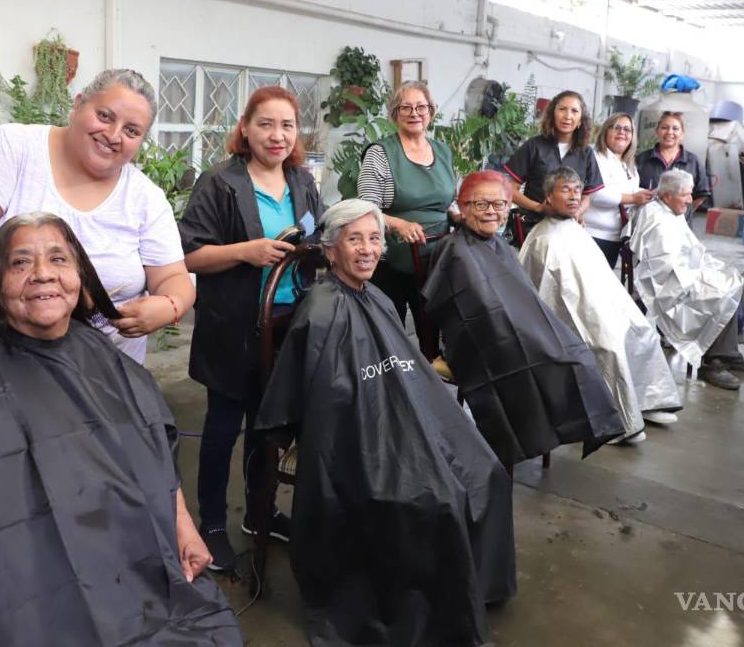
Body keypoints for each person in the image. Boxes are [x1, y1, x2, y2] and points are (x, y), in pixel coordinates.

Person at [0, 213, 242, 647]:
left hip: (135, 566)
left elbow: (153, 443)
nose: (43, 275)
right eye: (20, 264)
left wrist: (183, 526)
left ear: (79, 279)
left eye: (58, 259)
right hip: (21, 591)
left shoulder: (102, 356)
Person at [256, 199, 516, 647]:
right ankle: (434, 609)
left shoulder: (376, 297)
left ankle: (473, 587)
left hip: (405, 420)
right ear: (330, 250)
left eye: (375, 238)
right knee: (435, 497)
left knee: (483, 469)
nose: (367, 249)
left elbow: (406, 372)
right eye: (353, 239)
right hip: (358, 440)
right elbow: (321, 403)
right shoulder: (320, 311)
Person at [0, 68, 193, 363]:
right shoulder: (15, 147)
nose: (112, 135)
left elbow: (173, 276)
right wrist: (67, 286)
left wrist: (169, 305)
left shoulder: (145, 197)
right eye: (105, 116)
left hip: (102, 372)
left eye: (131, 131)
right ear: (79, 103)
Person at [177, 86, 324, 571]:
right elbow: (188, 254)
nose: (276, 136)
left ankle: (261, 513)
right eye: (265, 124)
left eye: (286, 126)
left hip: (287, 325)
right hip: (235, 327)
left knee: (270, 424)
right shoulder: (220, 183)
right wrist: (246, 251)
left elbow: (316, 237)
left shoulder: (303, 182)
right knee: (223, 429)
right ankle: (212, 526)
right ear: (245, 128)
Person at [422, 170, 624, 468]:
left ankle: (555, 430)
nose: (492, 212)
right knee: (557, 363)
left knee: (579, 356)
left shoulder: (497, 244)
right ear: (463, 208)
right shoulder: (456, 251)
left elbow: (522, 299)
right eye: (481, 205)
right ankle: (531, 436)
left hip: (516, 330)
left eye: (500, 205)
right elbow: (474, 313)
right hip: (484, 341)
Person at [518, 168, 682, 444]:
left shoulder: (574, 229)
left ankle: (646, 399)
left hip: (598, 304)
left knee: (640, 327)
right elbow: (545, 295)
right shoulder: (543, 240)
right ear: (548, 196)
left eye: (576, 190)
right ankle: (616, 422)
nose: (573, 197)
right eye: (564, 190)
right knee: (608, 344)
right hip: (569, 318)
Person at [628, 169, 744, 391]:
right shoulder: (656, 219)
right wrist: (700, 274)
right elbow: (662, 264)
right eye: (686, 195)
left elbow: (690, 249)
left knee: (738, 282)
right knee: (722, 293)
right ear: (668, 196)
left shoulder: (671, 212)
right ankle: (712, 362)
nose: (691, 201)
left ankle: (730, 352)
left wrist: (707, 267)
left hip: (687, 270)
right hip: (668, 283)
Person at [357, 80, 457, 326]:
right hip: (393, 260)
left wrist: (459, 214)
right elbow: (365, 209)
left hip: (437, 260)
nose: (415, 114)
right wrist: (399, 224)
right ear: (394, 114)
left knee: (434, 332)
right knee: (392, 333)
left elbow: (450, 199)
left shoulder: (443, 151)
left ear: (431, 112)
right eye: (406, 108)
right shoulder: (380, 153)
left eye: (421, 107)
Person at [505, 90, 604, 227]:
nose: (568, 116)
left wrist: (577, 212)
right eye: (562, 109)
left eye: (574, 111)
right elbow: (510, 188)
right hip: (530, 225)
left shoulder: (586, 153)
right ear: (552, 114)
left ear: (580, 121)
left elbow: (586, 196)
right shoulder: (534, 146)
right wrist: (537, 207)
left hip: (566, 228)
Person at [584, 112, 653, 268]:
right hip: (592, 235)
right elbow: (596, 194)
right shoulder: (595, 157)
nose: (622, 132)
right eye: (616, 128)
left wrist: (652, 194)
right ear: (605, 132)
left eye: (627, 130)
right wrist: (634, 199)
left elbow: (632, 190)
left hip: (615, 237)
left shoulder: (629, 165)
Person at [635, 111, 710, 225]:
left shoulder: (693, 161)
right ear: (657, 131)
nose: (670, 132)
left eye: (675, 128)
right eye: (664, 127)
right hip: (647, 224)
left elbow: (701, 194)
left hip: (680, 226)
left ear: (682, 133)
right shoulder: (641, 160)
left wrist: (684, 211)